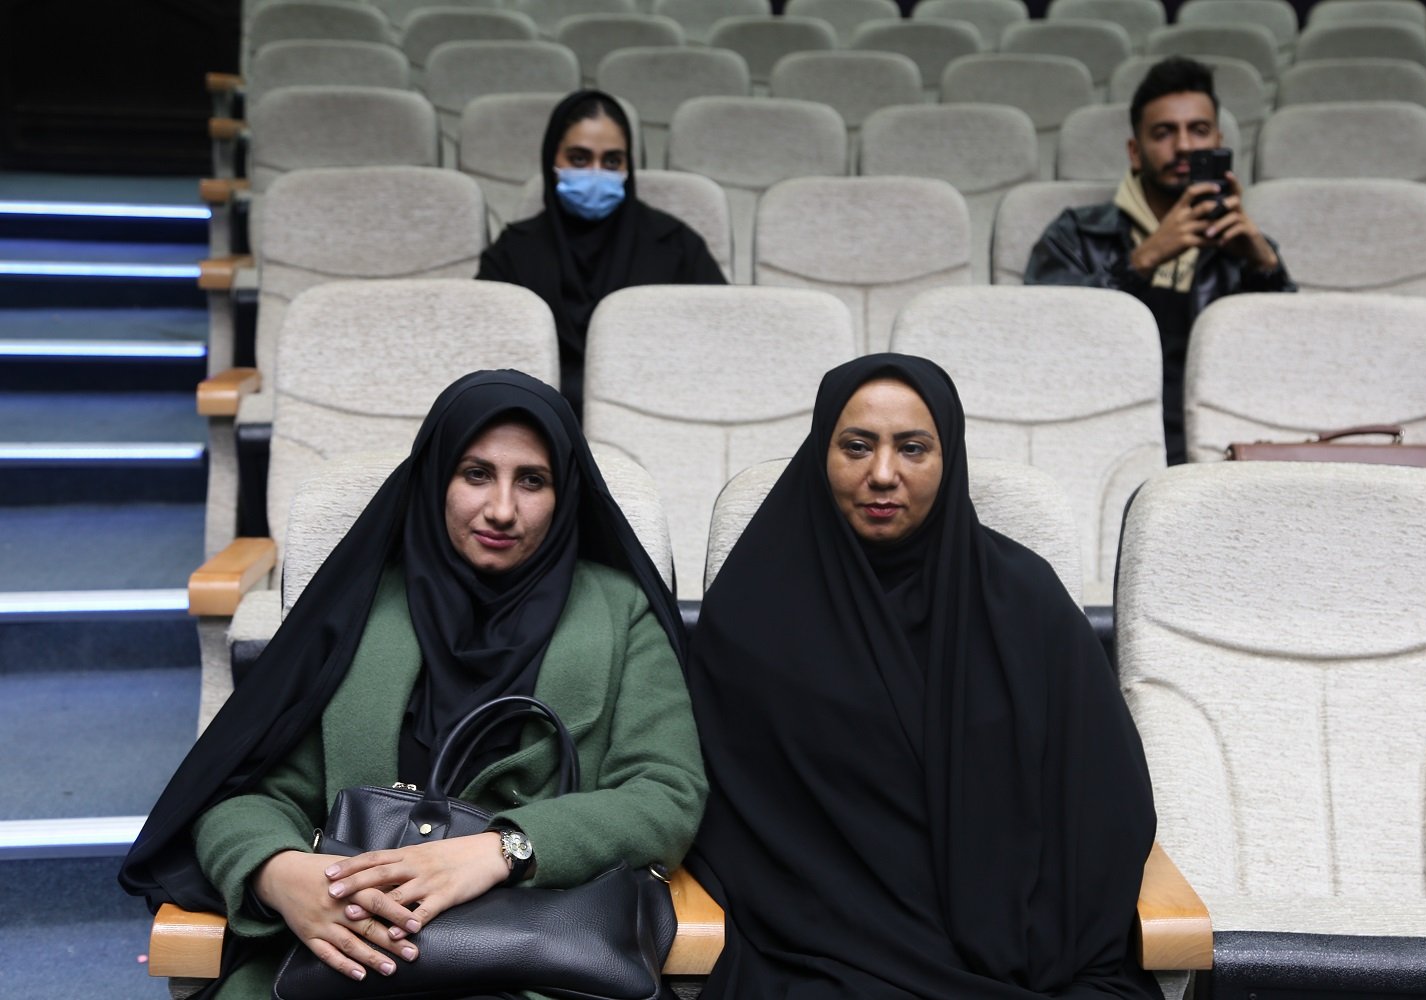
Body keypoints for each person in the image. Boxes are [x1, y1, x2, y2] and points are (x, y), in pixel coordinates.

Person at [120, 370, 707, 999]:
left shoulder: (620, 612)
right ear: (435, 480)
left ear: (565, 495)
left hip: (542, 958)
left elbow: (666, 794)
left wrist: (505, 848)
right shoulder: (357, 607)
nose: (502, 509)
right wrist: (277, 872)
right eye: (475, 474)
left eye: (531, 481)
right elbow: (246, 790)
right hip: (352, 960)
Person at [685, 354, 1163, 998]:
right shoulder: (751, 612)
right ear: (820, 455)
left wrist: (1035, 940)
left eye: (913, 448)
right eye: (857, 447)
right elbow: (737, 829)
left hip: (1025, 957)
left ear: (949, 458)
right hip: (826, 957)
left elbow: (1103, 801)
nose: (883, 474)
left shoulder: (1027, 601)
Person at [1025, 56, 1296, 465]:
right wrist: (1143, 259)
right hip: (1096, 444)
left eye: (1199, 130)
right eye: (1164, 132)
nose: (1184, 146)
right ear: (1135, 152)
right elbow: (1039, 339)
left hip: (1220, 452)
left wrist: (1266, 269)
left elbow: (1290, 365)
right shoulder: (1076, 234)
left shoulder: (1247, 249)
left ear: (1219, 142)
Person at [476, 90, 727, 415]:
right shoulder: (512, 252)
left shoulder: (676, 245)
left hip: (659, 418)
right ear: (552, 160)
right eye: (579, 159)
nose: (596, 172)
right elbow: (485, 359)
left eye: (611, 161)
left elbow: (720, 343)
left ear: (628, 166)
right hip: (537, 425)